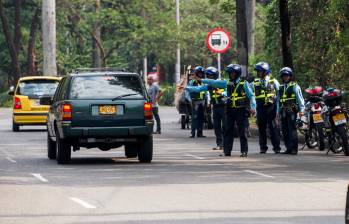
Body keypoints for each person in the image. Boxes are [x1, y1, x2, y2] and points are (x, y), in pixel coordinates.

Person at [201, 64, 256, 157]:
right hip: (230, 110)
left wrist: (253, 108)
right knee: (228, 130)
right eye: (229, 73)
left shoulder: (244, 83)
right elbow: (214, 83)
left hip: (241, 110)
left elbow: (251, 96)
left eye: (232, 73)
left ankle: (244, 151)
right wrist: (202, 80)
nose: (230, 75)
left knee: (242, 131)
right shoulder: (227, 83)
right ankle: (227, 151)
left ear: (237, 73)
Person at [186, 66, 225, 150]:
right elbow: (198, 89)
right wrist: (186, 88)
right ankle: (220, 144)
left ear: (215, 76)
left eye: (210, 76)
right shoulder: (208, 85)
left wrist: (223, 94)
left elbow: (225, 91)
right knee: (217, 127)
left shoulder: (221, 83)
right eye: (207, 76)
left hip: (224, 107)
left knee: (226, 126)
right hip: (215, 107)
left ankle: (226, 144)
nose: (208, 77)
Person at [253, 62, 281, 154]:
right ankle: (263, 147)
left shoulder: (274, 82)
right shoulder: (255, 83)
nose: (258, 73)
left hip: (271, 108)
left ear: (266, 71)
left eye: (260, 71)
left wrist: (277, 111)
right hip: (260, 109)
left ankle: (276, 147)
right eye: (258, 71)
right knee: (261, 128)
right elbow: (249, 93)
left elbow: (279, 96)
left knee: (273, 128)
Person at [277, 67, 305, 155]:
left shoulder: (295, 86)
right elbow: (278, 101)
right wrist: (277, 112)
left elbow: (300, 99)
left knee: (292, 130)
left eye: (287, 75)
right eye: (284, 76)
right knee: (284, 130)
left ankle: (294, 149)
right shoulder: (280, 88)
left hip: (292, 111)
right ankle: (288, 148)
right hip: (283, 111)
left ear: (290, 76)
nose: (285, 77)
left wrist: (302, 110)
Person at [185, 66, 207, 138]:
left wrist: (208, 101)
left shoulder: (204, 82)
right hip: (195, 102)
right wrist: (190, 100)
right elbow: (187, 92)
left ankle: (200, 133)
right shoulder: (191, 82)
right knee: (194, 118)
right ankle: (193, 133)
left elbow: (207, 92)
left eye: (201, 73)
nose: (200, 75)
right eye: (199, 73)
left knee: (201, 117)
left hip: (203, 102)